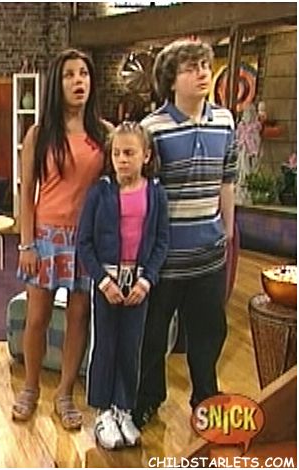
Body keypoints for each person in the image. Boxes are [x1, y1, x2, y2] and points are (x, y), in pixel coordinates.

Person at [134, 39, 237, 428]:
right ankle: (148, 399)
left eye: (205, 66)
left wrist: (227, 230)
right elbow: (142, 193)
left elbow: (227, 179)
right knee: (153, 335)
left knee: (209, 332)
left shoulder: (225, 121)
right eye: (191, 68)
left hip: (209, 252)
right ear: (171, 79)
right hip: (164, 258)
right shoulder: (152, 129)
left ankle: (205, 397)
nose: (202, 74)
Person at [12, 48, 110, 430]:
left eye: (83, 73)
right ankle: (30, 387)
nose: (78, 81)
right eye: (69, 74)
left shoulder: (103, 135)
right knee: (36, 317)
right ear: (58, 83)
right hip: (45, 238)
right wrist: (26, 244)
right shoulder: (39, 134)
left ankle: (66, 393)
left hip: (86, 241)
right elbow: (26, 191)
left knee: (79, 317)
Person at [77, 122, 169, 449]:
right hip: (107, 285)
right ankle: (103, 411)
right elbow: (84, 242)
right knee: (105, 346)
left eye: (129, 153)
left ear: (146, 156)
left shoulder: (156, 194)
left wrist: (147, 281)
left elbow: (161, 242)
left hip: (138, 285)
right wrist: (103, 282)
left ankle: (123, 408)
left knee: (131, 348)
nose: (122, 160)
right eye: (116, 153)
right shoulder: (99, 193)